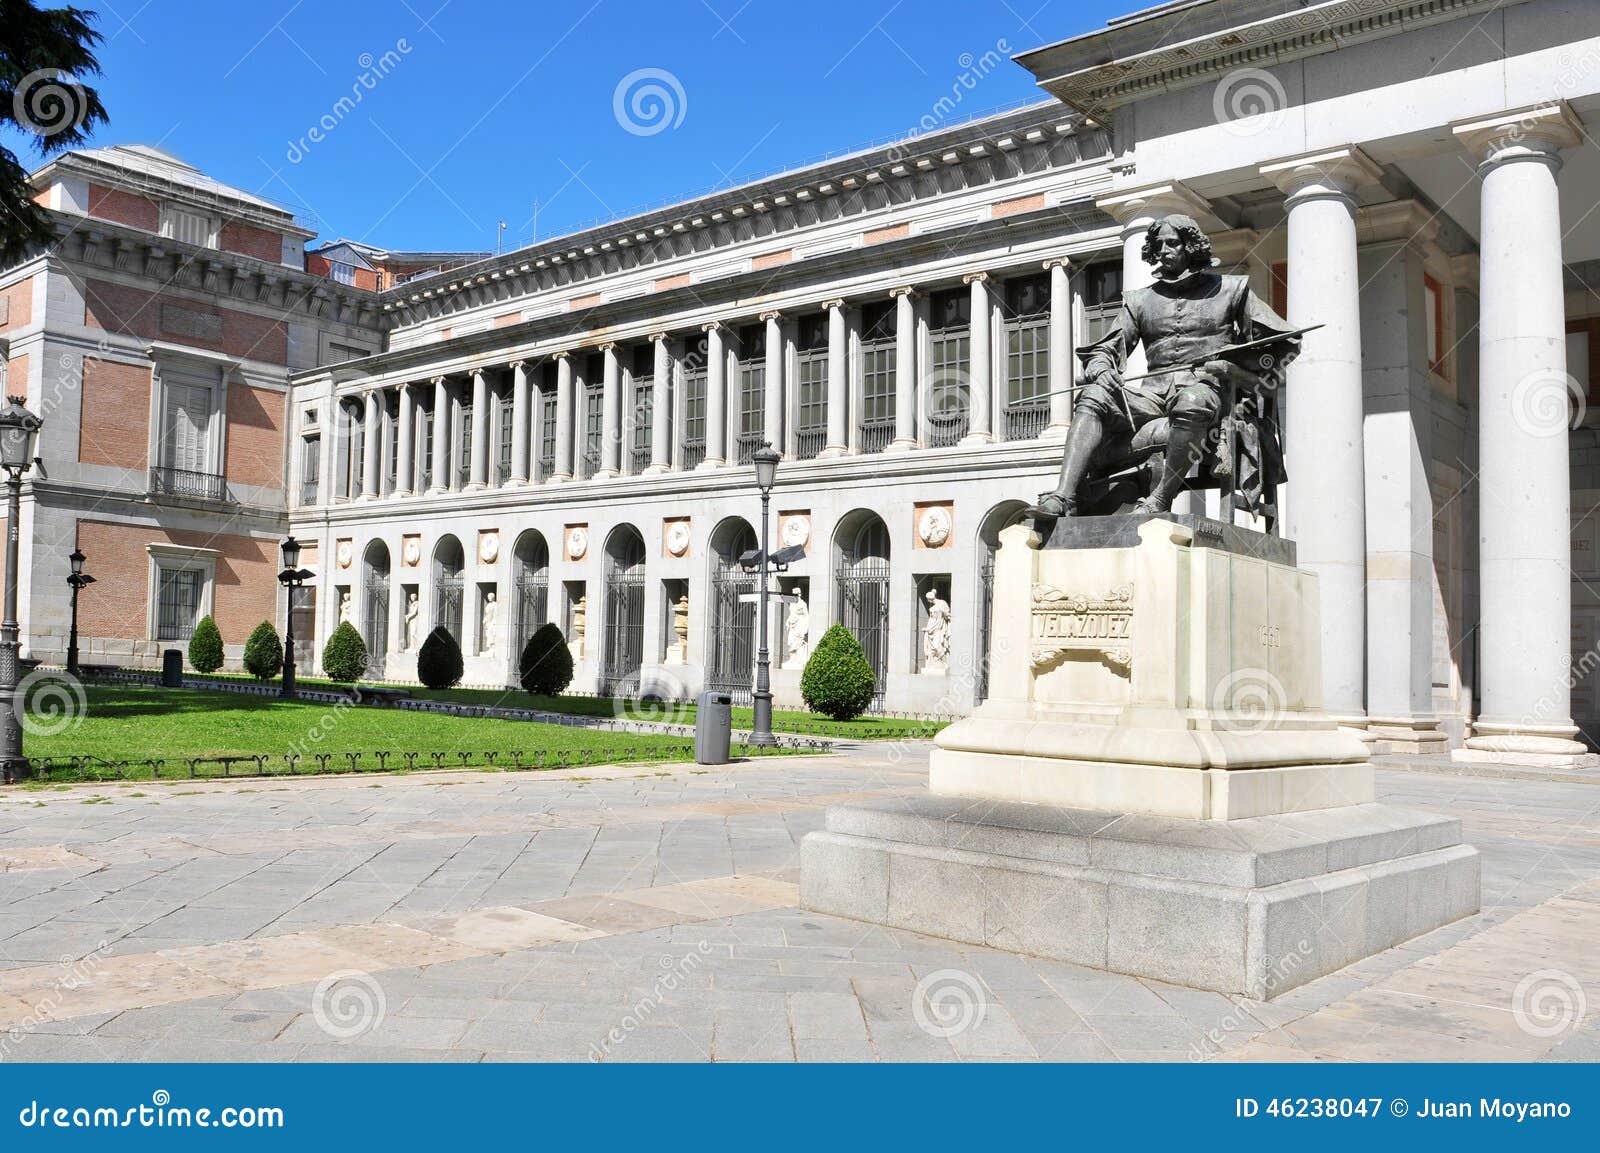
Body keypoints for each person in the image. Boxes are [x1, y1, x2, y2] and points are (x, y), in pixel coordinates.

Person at [1031, 214, 1300, 521]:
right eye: (1157, 245)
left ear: (1191, 246)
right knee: (1094, 394)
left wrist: (1233, 366)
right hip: (1152, 398)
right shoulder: (1141, 300)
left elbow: (1285, 346)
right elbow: (1105, 347)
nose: (1163, 250)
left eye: (1172, 243)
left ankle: (1160, 497)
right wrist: (1102, 367)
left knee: (1193, 401)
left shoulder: (1232, 290)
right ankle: (1064, 497)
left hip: (1211, 394)